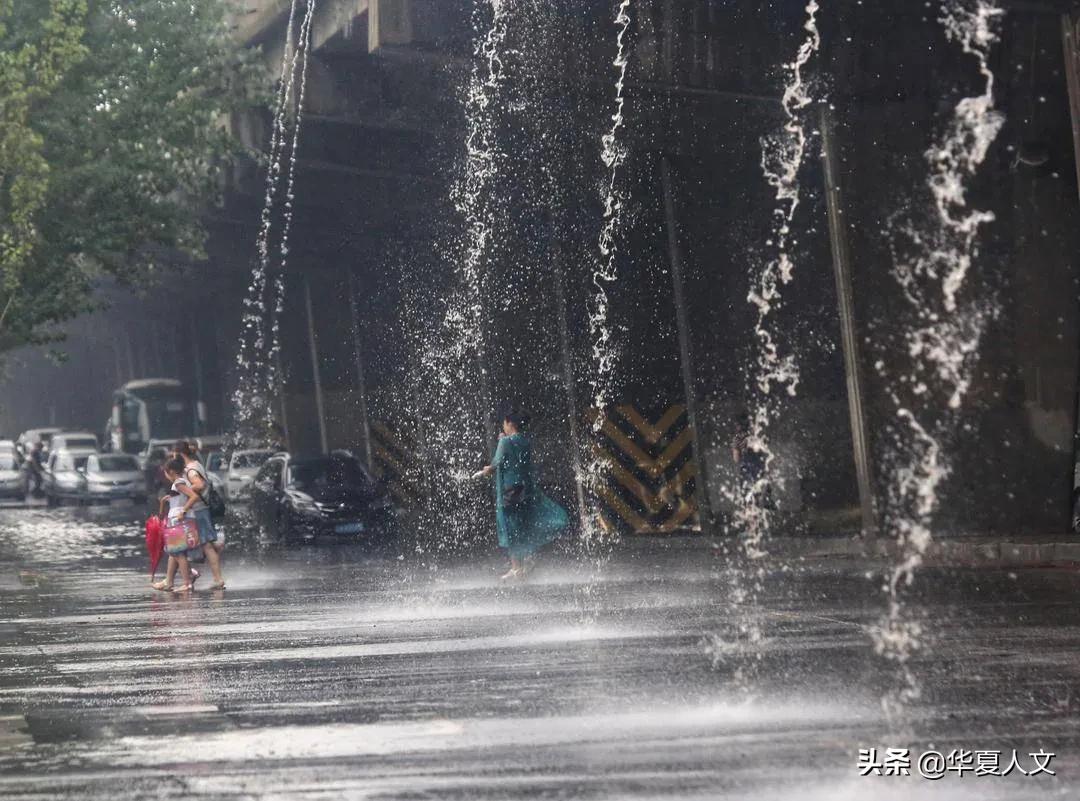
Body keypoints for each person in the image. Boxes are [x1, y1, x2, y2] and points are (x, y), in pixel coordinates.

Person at [474, 409, 569, 581]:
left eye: (504, 423)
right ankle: (524, 564)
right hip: (525, 489)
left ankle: (516, 567)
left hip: (509, 490)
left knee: (510, 527)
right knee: (523, 525)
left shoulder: (505, 442)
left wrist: (485, 470)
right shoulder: (525, 441)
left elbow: (495, 463)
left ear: (510, 423)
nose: (503, 426)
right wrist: (504, 441)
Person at [172, 439, 226, 589]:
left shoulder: (190, 469)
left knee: (205, 546)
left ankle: (217, 579)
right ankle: (196, 576)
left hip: (198, 510)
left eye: (174, 454)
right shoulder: (196, 465)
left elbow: (199, 485)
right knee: (203, 545)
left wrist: (186, 493)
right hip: (200, 509)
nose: (173, 457)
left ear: (180, 453)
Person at [152, 457, 199, 593]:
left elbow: (193, 496)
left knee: (178, 552)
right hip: (179, 519)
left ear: (171, 471)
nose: (165, 476)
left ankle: (187, 583)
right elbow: (183, 498)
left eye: (166, 473)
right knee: (175, 552)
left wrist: (183, 511)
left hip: (180, 520)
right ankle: (174, 580)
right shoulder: (179, 483)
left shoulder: (179, 483)